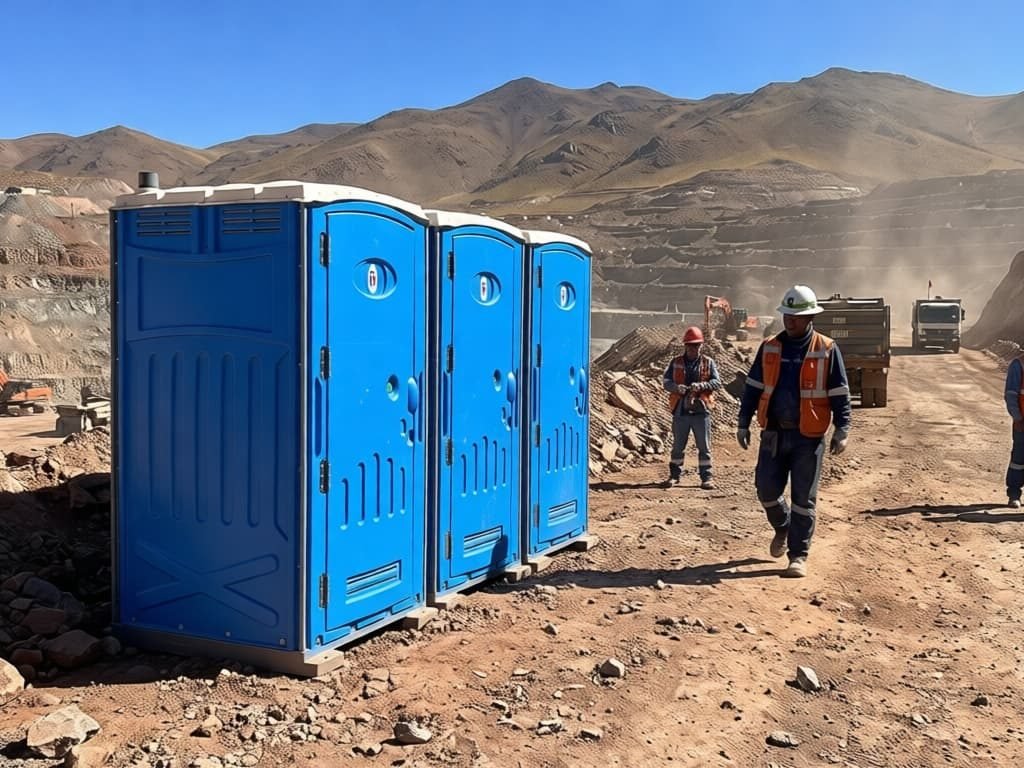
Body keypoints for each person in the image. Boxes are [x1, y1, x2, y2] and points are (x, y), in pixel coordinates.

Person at [736, 285, 852, 578]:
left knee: (804, 499)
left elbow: (840, 391)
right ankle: (782, 526)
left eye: (796, 316)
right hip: (774, 433)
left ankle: (798, 555)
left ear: (811, 317)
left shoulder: (826, 349)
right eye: (787, 315)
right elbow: (753, 388)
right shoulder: (770, 346)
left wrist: (842, 428)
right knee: (766, 490)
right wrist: (743, 421)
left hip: (808, 437)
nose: (790, 321)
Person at [662, 325, 722, 490]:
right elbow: (666, 382)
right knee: (678, 447)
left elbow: (717, 383)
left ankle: (706, 477)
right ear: (685, 346)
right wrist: (676, 388)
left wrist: (701, 386)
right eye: (690, 345)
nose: (693, 348)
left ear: (701, 346)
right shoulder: (676, 362)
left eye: (696, 345)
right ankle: (674, 476)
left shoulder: (708, 363)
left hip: (701, 411)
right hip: (681, 410)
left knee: (704, 447)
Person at [1005, 351, 1024, 508]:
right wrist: (1017, 418)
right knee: (1019, 458)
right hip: (1022, 423)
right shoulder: (1018, 365)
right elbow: (1011, 394)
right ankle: (1014, 494)